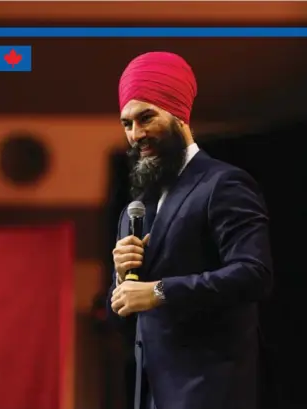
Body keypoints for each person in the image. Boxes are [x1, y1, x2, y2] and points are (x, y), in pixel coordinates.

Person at [107, 51, 274, 409]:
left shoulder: (223, 184)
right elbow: (123, 317)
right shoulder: (136, 210)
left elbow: (253, 274)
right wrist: (121, 283)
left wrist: (160, 291)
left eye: (146, 117)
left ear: (179, 115)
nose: (135, 134)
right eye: (126, 123)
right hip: (150, 394)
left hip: (210, 391)